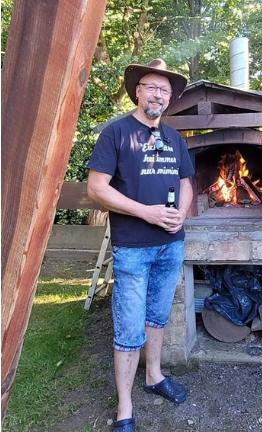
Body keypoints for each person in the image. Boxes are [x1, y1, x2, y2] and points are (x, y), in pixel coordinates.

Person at [87, 59, 194, 432]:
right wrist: (146, 214)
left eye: (164, 90)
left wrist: (180, 213)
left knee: (157, 317)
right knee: (129, 328)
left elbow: (186, 183)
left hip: (171, 245)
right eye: (152, 87)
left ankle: (154, 376)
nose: (158, 94)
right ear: (138, 91)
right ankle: (124, 409)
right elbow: (97, 188)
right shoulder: (115, 133)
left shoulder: (174, 137)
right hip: (132, 247)